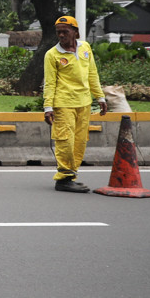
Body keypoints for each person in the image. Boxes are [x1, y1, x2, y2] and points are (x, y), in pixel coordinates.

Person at [43, 15, 106, 192]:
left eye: (65, 31)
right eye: (58, 32)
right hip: (63, 104)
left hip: (84, 103)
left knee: (79, 141)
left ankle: (71, 175)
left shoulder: (85, 47)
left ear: (75, 32)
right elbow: (50, 83)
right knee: (65, 141)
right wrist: (48, 107)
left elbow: (92, 74)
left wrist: (100, 97)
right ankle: (63, 178)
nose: (61, 35)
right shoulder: (52, 55)